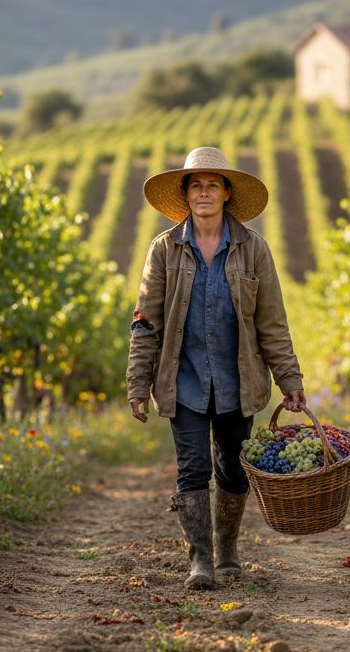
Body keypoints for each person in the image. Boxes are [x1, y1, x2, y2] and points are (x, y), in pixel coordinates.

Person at [126, 146, 306, 590]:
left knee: (232, 469)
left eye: (212, 184)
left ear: (226, 193)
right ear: (185, 195)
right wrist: (136, 382)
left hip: (237, 381)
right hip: (182, 380)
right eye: (196, 185)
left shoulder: (253, 249)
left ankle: (227, 552)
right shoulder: (165, 250)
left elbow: (272, 322)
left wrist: (291, 381)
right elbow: (145, 321)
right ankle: (200, 561)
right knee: (192, 469)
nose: (204, 192)